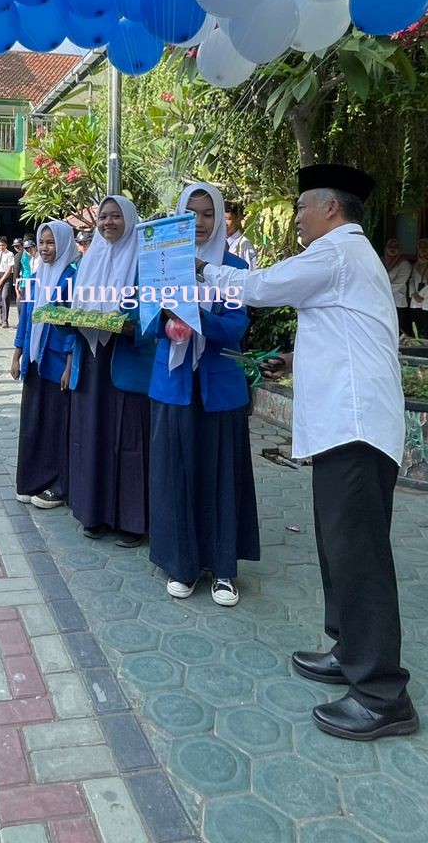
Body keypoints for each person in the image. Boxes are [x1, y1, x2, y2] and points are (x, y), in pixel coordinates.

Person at [199, 164, 416, 741]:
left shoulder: (339, 252)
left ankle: (382, 694)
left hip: (356, 428)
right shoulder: (346, 260)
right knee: (336, 546)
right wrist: (297, 360)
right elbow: (348, 331)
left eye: (302, 207)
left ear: (331, 210)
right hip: (344, 426)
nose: (295, 217)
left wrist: (198, 265)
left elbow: (260, 287)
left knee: (359, 555)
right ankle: (348, 650)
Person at [148, 182, 256, 609]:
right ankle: (181, 563)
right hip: (172, 384)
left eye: (208, 214)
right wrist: (166, 319)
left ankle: (224, 569)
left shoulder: (232, 266)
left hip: (218, 384)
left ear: (221, 218)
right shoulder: (162, 263)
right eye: (190, 214)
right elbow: (145, 323)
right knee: (175, 472)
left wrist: (196, 318)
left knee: (221, 474)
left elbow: (236, 328)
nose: (199, 223)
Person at [66, 196, 152, 547]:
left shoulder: (143, 260)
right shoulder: (91, 259)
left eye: (117, 216)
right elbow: (77, 310)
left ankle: (131, 522)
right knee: (92, 435)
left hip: (126, 361)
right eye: (103, 217)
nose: (108, 223)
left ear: (130, 219)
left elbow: (152, 313)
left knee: (129, 440)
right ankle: (94, 513)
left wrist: (129, 325)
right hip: (91, 359)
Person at [12, 221, 78, 512]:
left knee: (55, 425)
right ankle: (31, 480)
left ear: (63, 243)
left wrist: (69, 364)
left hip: (56, 364)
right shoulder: (36, 276)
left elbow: (74, 325)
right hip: (34, 360)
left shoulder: (73, 277)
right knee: (33, 423)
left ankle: (58, 484)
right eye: (42, 242)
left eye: (51, 243)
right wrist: (17, 355)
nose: (45, 248)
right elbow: (26, 318)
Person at [405, 239, 428, 344]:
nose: (423, 249)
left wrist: (421, 295)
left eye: (426, 246)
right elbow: (411, 279)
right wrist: (413, 294)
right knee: (417, 332)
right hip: (416, 302)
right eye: (420, 247)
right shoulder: (417, 264)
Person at [381, 239, 412, 337]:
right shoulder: (380, 261)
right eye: (390, 246)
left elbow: (399, 283)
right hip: (382, 303)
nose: (392, 249)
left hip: (398, 302)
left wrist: (380, 291)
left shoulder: (404, 264)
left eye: (395, 247)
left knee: (397, 331)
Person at [0, 236, 17, 327]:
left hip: (5, 277)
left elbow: (9, 269)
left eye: (3, 245)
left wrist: (0, 281)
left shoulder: (10, 254)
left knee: (5, 297)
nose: (1, 247)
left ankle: (5, 320)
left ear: (6, 245)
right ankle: (1, 319)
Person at [224, 201, 258, 269]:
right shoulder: (218, 244)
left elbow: (250, 272)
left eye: (227, 219)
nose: (224, 223)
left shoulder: (245, 244)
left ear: (237, 219)